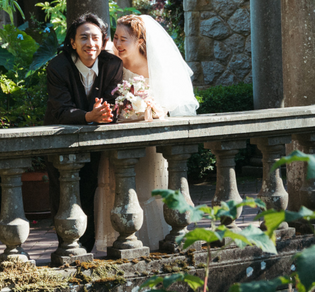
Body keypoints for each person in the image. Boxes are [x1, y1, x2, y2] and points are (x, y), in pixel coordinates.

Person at [93, 14, 199, 253]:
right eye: (116, 37)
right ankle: (119, 244)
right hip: (118, 139)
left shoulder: (157, 65)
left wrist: (150, 107)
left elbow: (169, 104)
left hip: (150, 144)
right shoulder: (111, 63)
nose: (118, 43)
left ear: (140, 41)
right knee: (116, 190)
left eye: (124, 39)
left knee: (148, 190)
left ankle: (156, 244)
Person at [44, 13, 124, 253]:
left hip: (95, 141)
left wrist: (106, 113)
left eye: (96, 38)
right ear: (72, 42)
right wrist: (89, 115)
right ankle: (66, 250)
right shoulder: (58, 66)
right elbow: (60, 110)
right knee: (62, 195)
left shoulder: (112, 64)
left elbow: (112, 102)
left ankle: (86, 251)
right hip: (62, 140)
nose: (91, 44)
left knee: (90, 190)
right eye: (84, 38)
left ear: (104, 41)